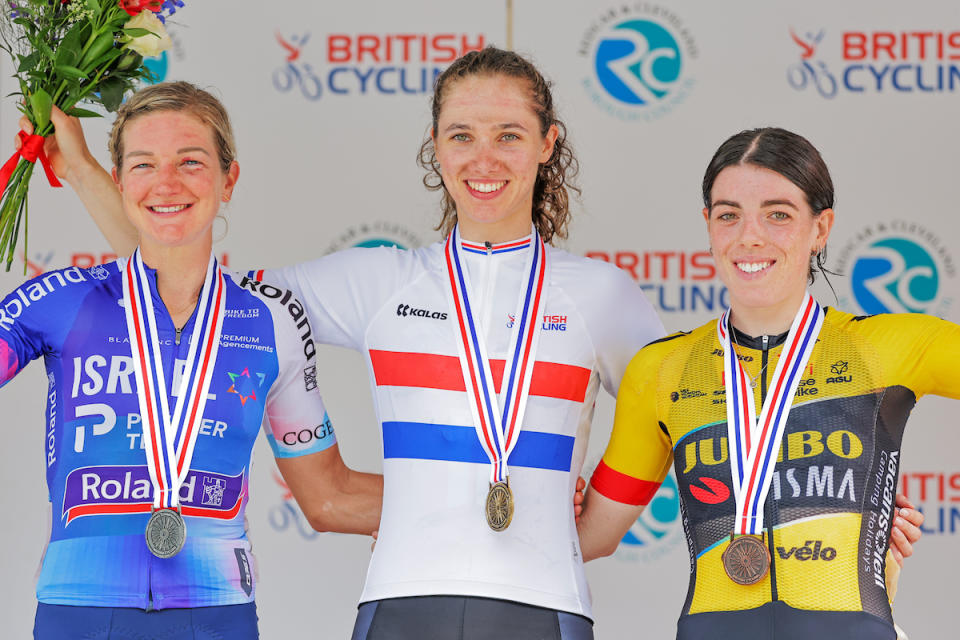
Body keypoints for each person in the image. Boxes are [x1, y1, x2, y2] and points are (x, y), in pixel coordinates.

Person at [28, 51, 922, 638]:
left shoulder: (602, 296)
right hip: (397, 604)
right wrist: (90, 175)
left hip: (548, 607)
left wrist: (844, 506)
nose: (483, 156)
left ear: (546, 146)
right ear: (436, 148)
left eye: (507, 134)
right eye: (461, 134)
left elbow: (723, 412)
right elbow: (179, 274)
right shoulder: (374, 282)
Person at [4, 82, 382, 639]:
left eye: (191, 162)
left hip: (216, 613)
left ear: (228, 179)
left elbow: (330, 498)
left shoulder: (267, 322)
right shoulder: (65, 300)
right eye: (144, 164)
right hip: (80, 609)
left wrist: (521, 499)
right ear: (119, 179)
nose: (167, 182)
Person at [577, 127, 950, 640]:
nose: (750, 236)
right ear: (708, 225)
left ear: (821, 228)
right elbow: (592, 536)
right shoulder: (662, 370)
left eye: (778, 214)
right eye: (729, 214)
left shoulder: (890, 347)